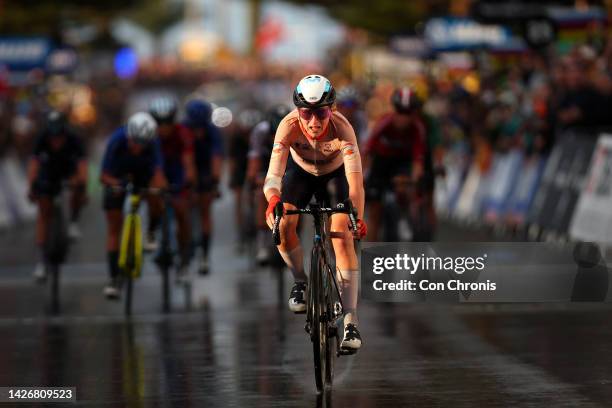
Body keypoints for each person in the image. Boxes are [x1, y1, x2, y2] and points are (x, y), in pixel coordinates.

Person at [263, 74, 366, 351]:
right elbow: (274, 175)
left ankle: (350, 319)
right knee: (283, 223)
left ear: (331, 109)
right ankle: (301, 280)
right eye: (306, 113)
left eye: (321, 112)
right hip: (301, 175)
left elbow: (355, 183)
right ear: (298, 110)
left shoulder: (343, 127)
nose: (313, 121)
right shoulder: (287, 126)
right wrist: (273, 199)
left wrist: (357, 216)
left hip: (335, 176)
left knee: (341, 234)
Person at [100, 112, 166, 298]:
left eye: (142, 144)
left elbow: (158, 173)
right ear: (128, 136)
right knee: (114, 226)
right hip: (116, 176)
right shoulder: (117, 140)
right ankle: (113, 278)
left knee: (155, 195)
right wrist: (116, 185)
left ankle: (151, 232)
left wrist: (158, 190)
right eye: (134, 142)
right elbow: (103, 176)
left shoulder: (153, 144)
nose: (137, 147)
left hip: (142, 174)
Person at [28, 110, 88, 281]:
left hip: (68, 172)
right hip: (47, 174)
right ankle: (41, 261)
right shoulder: (42, 138)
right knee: (43, 212)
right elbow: (33, 164)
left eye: (59, 135)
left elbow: (82, 165)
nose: (56, 140)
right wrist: (31, 187)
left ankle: (73, 222)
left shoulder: (74, 139)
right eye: (52, 135)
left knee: (78, 188)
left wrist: (81, 186)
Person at [364, 86, 426, 242]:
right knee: (374, 214)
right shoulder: (383, 123)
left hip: (401, 165)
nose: (403, 118)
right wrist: (362, 174)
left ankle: (406, 218)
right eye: (400, 112)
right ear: (393, 110)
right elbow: (366, 152)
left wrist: (415, 180)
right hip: (381, 164)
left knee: (406, 186)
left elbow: (418, 161)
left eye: (408, 113)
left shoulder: (418, 128)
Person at [149, 96, 196, 282]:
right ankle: (152, 231)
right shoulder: (150, 135)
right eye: (159, 123)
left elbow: (188, 160)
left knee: (182, 212)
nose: (164, 127)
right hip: (156, 171)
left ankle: (184, 259)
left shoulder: (183, 133)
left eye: (167, 122)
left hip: (177, 172)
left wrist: (189, 179)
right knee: (152, 197)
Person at [183, 99, 223, 275]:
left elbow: (216, 158)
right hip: (186, 164)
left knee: (205, 210)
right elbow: (184, 157)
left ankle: (205, 255)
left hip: (206, 167)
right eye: (195, 128)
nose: (198, 132)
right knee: (183, 205)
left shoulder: (213, 132)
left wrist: (215, 182)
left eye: (201, 128)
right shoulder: (183, 129)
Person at [247, 104, 291, 264]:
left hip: (289, 163)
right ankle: (262, 243)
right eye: (274, 135)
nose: (276, 139)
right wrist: (254, 178)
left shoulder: (296, 130)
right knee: (260, 194)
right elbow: (255, 158)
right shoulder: (260, 132)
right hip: (266, 164)